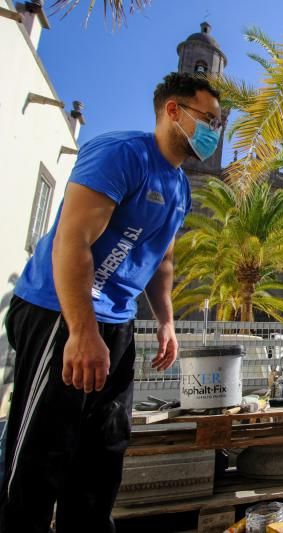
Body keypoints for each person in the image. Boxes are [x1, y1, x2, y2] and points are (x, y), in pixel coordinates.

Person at [0, 72, 222, 532]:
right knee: (43, 452)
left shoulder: (179, 186)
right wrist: (81, 331)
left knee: (104, 452)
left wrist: (166, 322)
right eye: (208, 119)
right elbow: (71, 241)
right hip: (58, 311)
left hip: (115, 323)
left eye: (219, 124)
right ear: (173, 111)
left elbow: (161, 261)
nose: (214, 132)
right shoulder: (122, 154)